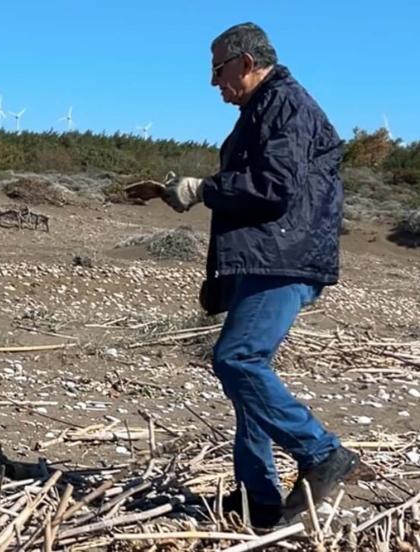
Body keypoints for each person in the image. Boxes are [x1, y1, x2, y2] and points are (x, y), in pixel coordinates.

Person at [159, 23, 358, 526]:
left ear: (246, 63)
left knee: (238, 360)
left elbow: (274, 186)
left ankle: (322, 453)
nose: (214, 82)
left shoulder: (285, 103)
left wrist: (203, 189)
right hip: (269, 256)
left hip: (285, 257)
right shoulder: (263, 108)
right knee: (249, 373)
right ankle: (258, 496)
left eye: (217, 69)